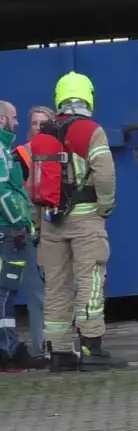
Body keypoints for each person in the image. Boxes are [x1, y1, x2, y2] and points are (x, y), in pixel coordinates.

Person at [40, 73, 124, 372]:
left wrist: (39, 225)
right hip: (86, 217)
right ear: (88, 97)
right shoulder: (91, 130)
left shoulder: (45, 133)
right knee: (90, 281)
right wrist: (105, 206)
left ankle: (60, 353)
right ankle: (92, 348)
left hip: (51, 221)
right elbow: (104, 174)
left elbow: (34, 184)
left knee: (56, 286)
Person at [0, 101, 40, 371]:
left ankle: (8, 348)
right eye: (13, 118)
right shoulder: (2, 153)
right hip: (7, 233)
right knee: (5, 293)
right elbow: (4, 192)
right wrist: (18, 224)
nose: (17, 124)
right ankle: (8, 350)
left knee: (7, 294)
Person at [14, 105, 53, 365]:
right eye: (35, 123)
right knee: (38, 294)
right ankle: (42, 347)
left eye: (43, 122)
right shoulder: (21, 156)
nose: (39, 127)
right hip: (31, 234)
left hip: (57, 230)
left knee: (63, 291)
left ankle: (62, 342)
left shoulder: (62, 152)